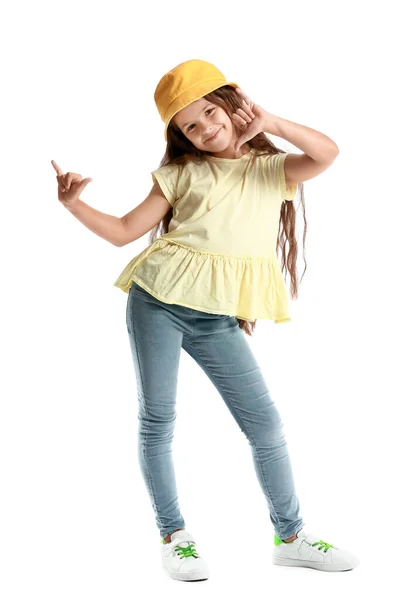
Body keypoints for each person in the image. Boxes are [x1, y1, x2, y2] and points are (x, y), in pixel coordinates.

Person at [52, 58, 359, 582]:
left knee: (266, 427)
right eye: (190, 125)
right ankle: (175, 536)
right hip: (158, 301)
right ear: (182, 137)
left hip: (217, 319)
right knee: (159, 420)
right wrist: (74, 205)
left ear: (234, 108)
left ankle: (290, 537)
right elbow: (126, 231)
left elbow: (327, 153)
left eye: (210, 113)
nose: (205, 128)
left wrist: (274, 123)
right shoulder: (179, 173)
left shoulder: (271, 170)